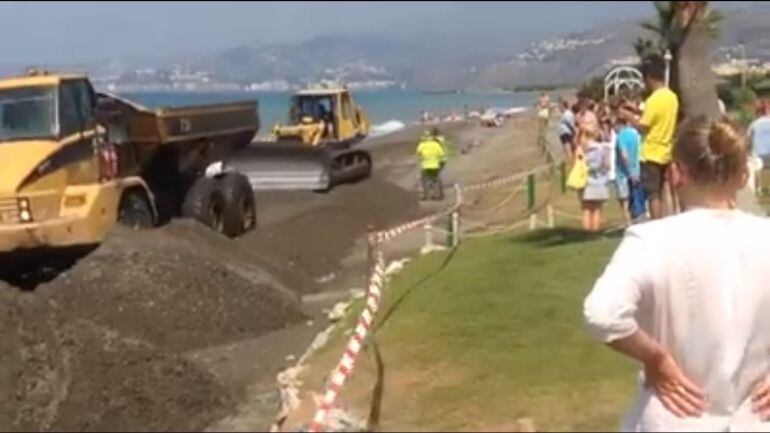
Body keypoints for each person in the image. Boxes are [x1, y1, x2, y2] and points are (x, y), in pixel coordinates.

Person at [584, 116, 770, 432]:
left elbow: (603, 314)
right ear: (743, 176)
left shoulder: (650, 241)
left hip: (675, 417)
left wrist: (655, 358)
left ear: (676, 173)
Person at [632, 55, 680, 220]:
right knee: (665, 188)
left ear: (649, 78)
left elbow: (643, 127)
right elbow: (657, 117)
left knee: (653, 194)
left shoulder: (653, 100)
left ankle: (657, 222)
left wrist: (630, 119)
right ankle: (670, 218)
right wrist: (636, 111)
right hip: (666, 150)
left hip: (651, 152)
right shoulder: (672, 97)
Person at [614, 106, 643, 226]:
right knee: (637, 198)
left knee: (624, 200)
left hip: (623, 173)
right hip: (637, 168)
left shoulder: (621, 136)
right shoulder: (636, 134)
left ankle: (627, 222)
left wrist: (629, 171)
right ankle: (638, 218)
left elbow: (624, 155)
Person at [580, 122, 611, 232]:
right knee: (597, 208)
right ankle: (595, 231)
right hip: (599, 179)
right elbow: (607, 165)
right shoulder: (602, 148)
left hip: (585, 180)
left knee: (586, 208)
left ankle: (586, 231)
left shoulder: (582, 148)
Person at [416, 130, 446, 201]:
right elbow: (441, 154)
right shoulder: (436, 145)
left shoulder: (422, 145)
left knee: (424, 181)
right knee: (436, 180)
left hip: (426, 166)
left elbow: (418, 153)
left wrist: (423, 157)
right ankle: (439, 195)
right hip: (435, 165)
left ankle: (425, 196)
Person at [557, 98, 576, 163]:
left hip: (566, 134)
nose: (559, 109)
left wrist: (574, 133)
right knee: (568, 150)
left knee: (568, 150)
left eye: (560, 107)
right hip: (565, 134)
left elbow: (571, 124)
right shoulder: (566, 113)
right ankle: (571, 162)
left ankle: (570, 163)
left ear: (563, 106)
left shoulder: (567, 114)